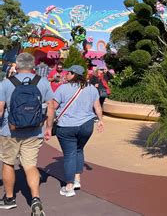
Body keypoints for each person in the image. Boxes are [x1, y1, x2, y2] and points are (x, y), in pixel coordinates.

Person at [0, 52, 53, 215]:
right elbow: (50, 106)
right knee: (30, 165)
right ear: (33, 65)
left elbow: (1, 108)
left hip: (10, 131)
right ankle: (36, 199)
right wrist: (49, 127)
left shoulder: (6, 83)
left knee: (8, 163)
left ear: (17, 64)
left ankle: (9, 199)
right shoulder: (43, 83)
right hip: (35, 131)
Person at [45, 65, 104, 197]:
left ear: (73, 74)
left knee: (69, 154)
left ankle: (69, 186)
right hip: (87, 125)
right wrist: (100, 120)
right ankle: (77, 179)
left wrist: (48, 126)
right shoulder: (91, 89)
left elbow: (52, 107)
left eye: (68, 73)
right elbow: (97, 106)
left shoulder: (63, 88)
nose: (65, 75)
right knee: (79, 149)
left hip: (67, 126)